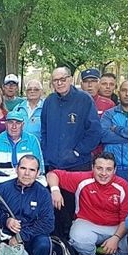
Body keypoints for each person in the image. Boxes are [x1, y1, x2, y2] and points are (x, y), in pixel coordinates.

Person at [47, 153, 128, 255]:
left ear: (115, 170)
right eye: (99, 168)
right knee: (78, 238)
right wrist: (55, 191)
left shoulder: (123, 185)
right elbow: (52, 174)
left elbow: (127, 218)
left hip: (115, 226)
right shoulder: (84, 179)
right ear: (92, 168)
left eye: (108, 169)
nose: (103, 173)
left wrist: (116, 238)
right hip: (88, 223)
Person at [40, 67, 101, 238]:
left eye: (63, 79)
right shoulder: (49, 101)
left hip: (77, 165)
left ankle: (76, 244)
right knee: (55, 208)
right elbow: (44, 130)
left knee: (75, 209)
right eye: (55, 80)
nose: (59, 83)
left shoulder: (84, 100)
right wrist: (47, 153)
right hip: (54, 165)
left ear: (70, 79)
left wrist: (77, 151)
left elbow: (94, 131)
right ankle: (59, 244)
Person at [0, 110, 44, 175]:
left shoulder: (32, 140)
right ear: (6, 124)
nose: (14, 127)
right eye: (10, 123)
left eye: (18, 123)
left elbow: (40, 169)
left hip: (27, 179)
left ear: (23, 125)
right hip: (2, 180)